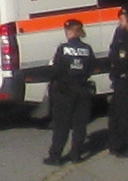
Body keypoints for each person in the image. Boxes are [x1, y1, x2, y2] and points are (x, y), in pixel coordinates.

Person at [42, 18, 100, 166]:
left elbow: (56, 69)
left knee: (62, 125)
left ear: (70, 31)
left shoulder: (63, 49)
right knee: (80, 125)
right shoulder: (87, 49)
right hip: (82, 90)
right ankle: (76, 154)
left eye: (67, 30)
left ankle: (55, 156)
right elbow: (91, 67)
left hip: (65, 91)